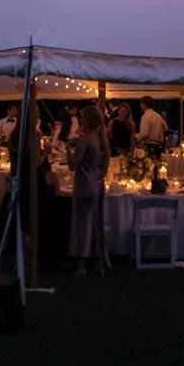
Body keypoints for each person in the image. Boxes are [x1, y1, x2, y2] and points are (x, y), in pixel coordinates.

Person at [66, 104, 108, 276]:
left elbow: (73, 165)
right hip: (97, 184)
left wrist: (69, 148)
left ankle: (81, 266)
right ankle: (98, 264)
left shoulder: (85, 139)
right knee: (96, 224)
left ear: (88, 120)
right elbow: (105, 168)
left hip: (84, 185)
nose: (80, 120)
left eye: (82, 117)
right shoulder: (103, 139)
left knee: (82, 225)